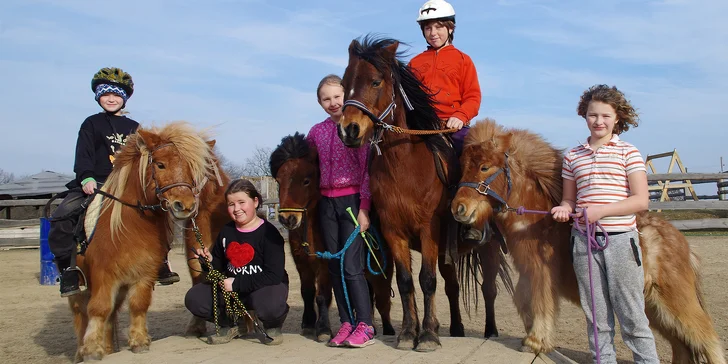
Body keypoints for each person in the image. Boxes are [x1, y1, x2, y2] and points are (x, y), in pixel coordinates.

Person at [550, 85, 659, 364]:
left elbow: (641, 200)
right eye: (592, 115)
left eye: (605, 116)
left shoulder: (628, 152)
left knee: (632, 315)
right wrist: (563, 209)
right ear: (583, 116)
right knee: (596, 317)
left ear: (617, 118)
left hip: (621, 241)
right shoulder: (573, 156)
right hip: (583, 243)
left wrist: (600, 211)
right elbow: (569, 200)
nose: (598, 121)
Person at [49, 67, 179, 298]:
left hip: (127, 185)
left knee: (161, 212)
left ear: (125, 98)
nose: (111, 98)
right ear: (98, 96)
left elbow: (145, 160)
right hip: (96, 182)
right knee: (62, 215)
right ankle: (68, 270)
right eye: (106, 93)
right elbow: (83, 155)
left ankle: (161, 261)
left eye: (117, 94)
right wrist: (86, 177)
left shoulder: (135, 128)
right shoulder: (91, 124)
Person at [306, 74, 376, 348]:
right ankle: (346, 322)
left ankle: (366, 325)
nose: (333, 103)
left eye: (337, 97)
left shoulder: (357, 127)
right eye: (326, 99)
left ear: (346, 96)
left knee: (350, 267)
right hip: (326, 203)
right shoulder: (316, 132)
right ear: (320, 102)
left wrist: (364, 209)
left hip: (352, 201)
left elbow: (367, 172)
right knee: (333, 266)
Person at [186, 179, 289, 345]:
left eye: (242, 202)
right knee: (195, 298)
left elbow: (274, 275)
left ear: (255, 202)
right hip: (232, 292)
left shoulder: (270, 234)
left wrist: (236, 283)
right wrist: (208, 261)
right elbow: (218, 268)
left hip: (261, 288)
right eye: (231, 204)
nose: (237, 209)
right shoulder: (227, 231)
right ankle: (229, 324)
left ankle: (272, 325)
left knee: (271, 302)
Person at [408, 0, 481, 156]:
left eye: (439, 27)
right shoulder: (414, 63)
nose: (433, 33)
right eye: (428, 28)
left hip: (451, 126)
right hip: (419, 127)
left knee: (479, 152)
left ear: (450, 28)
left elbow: (473, 97)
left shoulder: (463, 60)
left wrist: (460, 116)